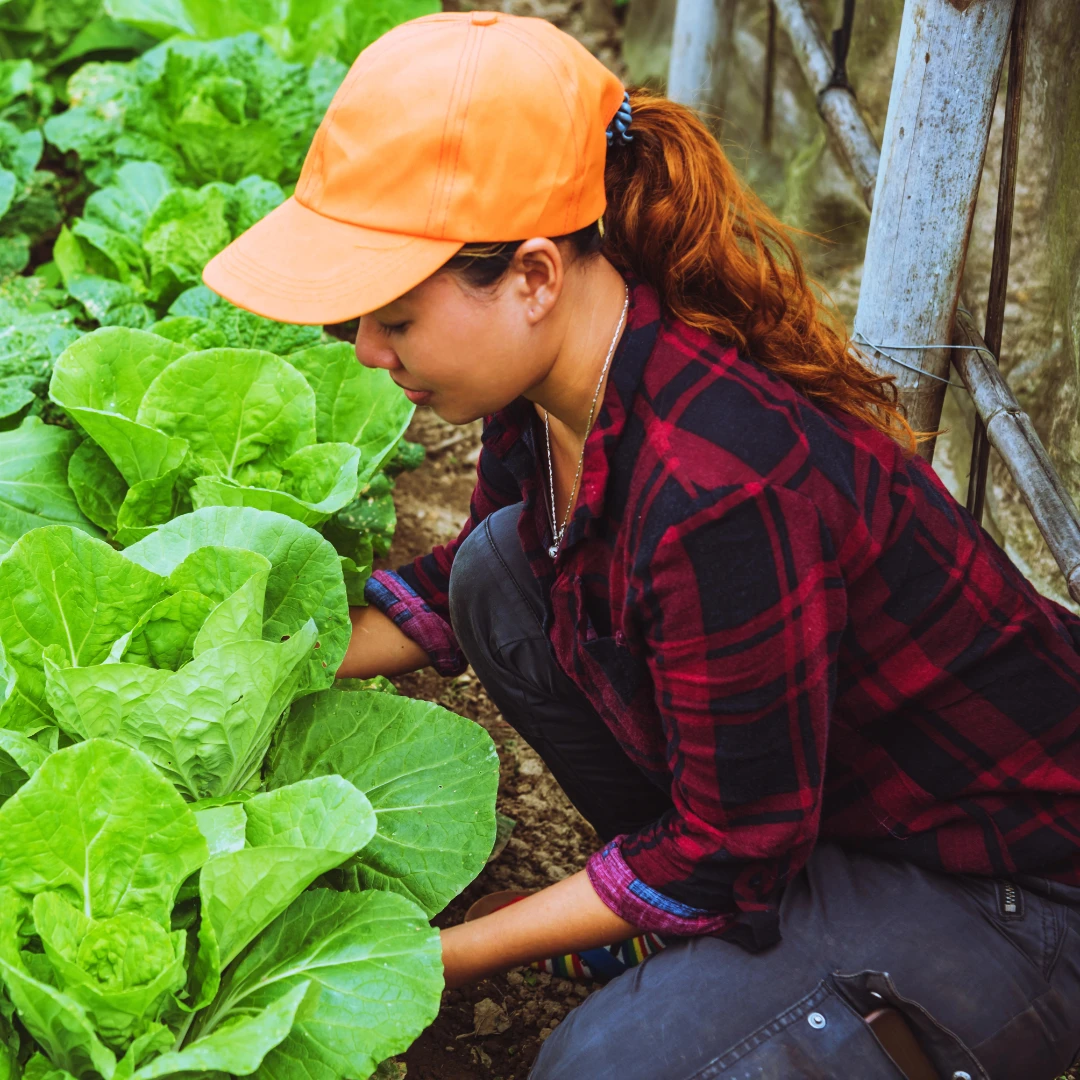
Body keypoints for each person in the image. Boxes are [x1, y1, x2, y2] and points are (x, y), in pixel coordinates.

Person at [203, 11, 1080, 1078]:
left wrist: (428, 957)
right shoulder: (557, 378)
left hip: (1005, 886)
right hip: (812, 808)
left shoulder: (719, 490)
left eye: (392, 318)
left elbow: (732, 847)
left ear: (531, 275)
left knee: (606, 1066)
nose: (371, 354)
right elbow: (470, 569)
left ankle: (763, 979)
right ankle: (706, 939)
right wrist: (241, 681)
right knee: (498, 572)